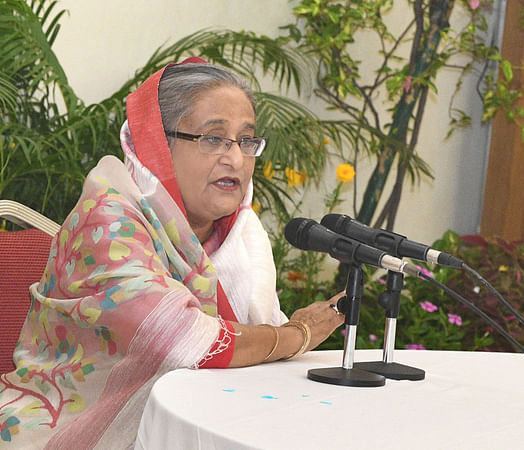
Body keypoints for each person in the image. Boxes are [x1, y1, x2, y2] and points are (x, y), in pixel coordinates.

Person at [0, 58, 345, 448]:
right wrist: (296, 334)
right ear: (157, 144)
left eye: (246, 141)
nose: (235, 158)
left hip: (206, 421)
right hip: (74, 428)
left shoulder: (242, 234)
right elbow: (184, 342)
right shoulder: (107, 219)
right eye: (213, 138)